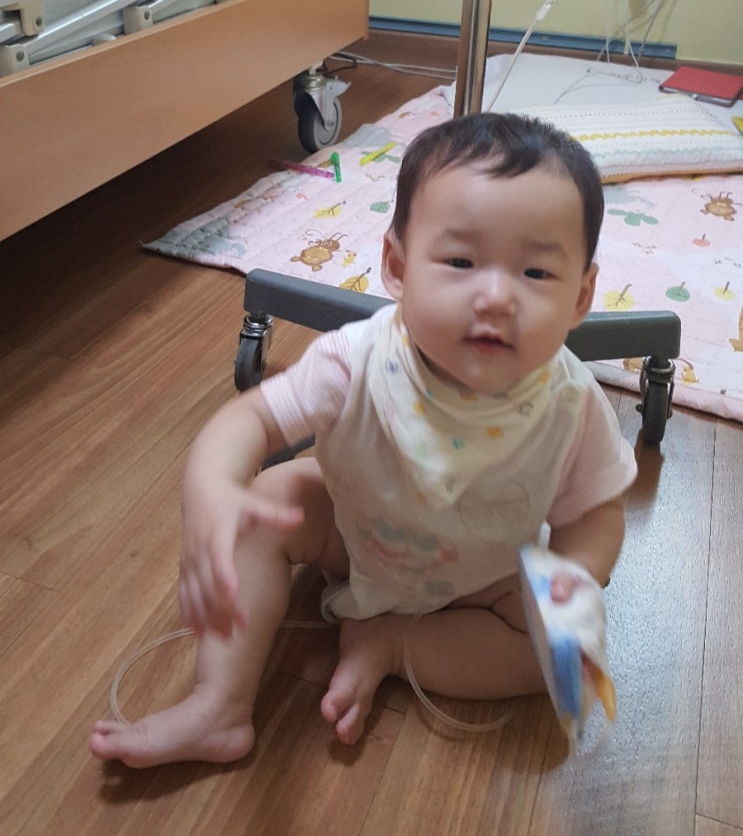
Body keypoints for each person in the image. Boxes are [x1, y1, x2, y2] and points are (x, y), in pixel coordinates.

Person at [90, 112, 637, 768]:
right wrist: (213, 488)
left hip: (482, 577)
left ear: (580, 297)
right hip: (352, 539)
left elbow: (595, 512)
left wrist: (575, 573)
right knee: (272, 498)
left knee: (556, 656)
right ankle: (218, 705)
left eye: (536, 273)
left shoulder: (571, 401)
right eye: (460, 261)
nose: (495, 296)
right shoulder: (356, 360)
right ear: (397, 267)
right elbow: (249, 420)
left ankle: (394, 645)